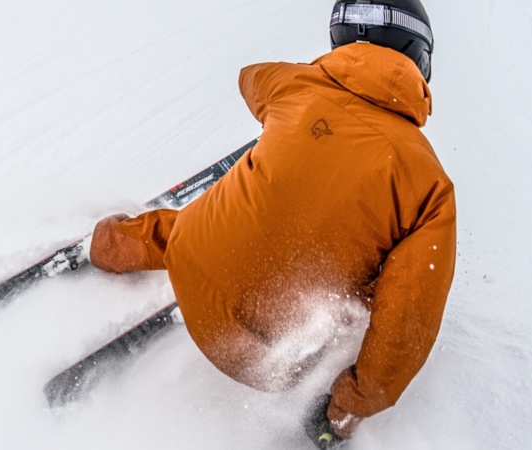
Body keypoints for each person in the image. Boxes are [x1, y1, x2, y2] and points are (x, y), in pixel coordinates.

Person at [89, 0, 453, 447]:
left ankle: (109, 246)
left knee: (198, 226)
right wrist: (346, 407)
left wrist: (311, 80)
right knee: (379, 286)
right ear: (419, 58)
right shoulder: (431, 185)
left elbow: (250, 77)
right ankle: (335, 365)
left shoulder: (295, 85)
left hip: (191, 268)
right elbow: (406, 326)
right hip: (274, 357)